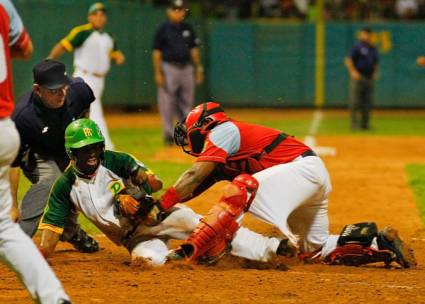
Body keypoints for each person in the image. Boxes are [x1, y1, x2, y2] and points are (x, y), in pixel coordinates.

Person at [146, 102, 416, 268]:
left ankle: (191, 251)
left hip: (300, 171)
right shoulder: (220, 157)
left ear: (204, 124)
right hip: (308, 177)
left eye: (191, 129)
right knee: (314, 251)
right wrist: (154, 205)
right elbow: (194, 187)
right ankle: (378, 242)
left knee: (241, 188)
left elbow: (193, 175)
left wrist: (161, 205)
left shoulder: (223, 130)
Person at [39, 118, 290, 266]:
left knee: (205, 226)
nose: (92, 153)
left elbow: (155, 182)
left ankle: (272, 250)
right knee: (148, 264)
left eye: (95, 147)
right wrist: (34, 255)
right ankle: (186, 254)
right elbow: (49, 238)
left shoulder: (116, 160)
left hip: (159, 216)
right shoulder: (64, 188)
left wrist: (134, 190)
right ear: (72, 153)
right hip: (135, 240)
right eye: (84, 150)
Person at [0, 1, 71, 303]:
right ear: (38, 89)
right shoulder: (3, 5)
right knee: (5, 228)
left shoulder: (76, 92)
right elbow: (24, 48)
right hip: (6, 130)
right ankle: (55, 297)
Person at [10, 59, 99, 254]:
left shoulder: (78, 91)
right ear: (37, 90)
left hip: (64, 149)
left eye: (63, 87)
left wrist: (82, 139)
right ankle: (17, 240)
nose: (61, 94)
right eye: (53, 90)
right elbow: (12, 164)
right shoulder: (24, 117)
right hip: (35, 154)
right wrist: (13, 206)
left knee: (76, 187)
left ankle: (71, 231)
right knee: (52, 180)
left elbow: (85, 108)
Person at [47, 2, 125, 150]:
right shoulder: (82, 32)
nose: (99, 17)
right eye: (96, 14)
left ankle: (71, 140)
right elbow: (63, 45)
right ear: (90, 17)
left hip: (100, 79)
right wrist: (49, 59)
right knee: (94, 109)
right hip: (84, 77)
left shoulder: (109, 37)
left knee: (81, 111)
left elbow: (114, 54)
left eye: (102, 15)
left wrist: (118, 57)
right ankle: (105, 144)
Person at [152, 0, 204, 145]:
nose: (178, 12)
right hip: (169, 67)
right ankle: (169, 135)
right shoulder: (163, 28)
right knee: (167, 102)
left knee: (187, 103)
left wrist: (198, 68)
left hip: (187, 68)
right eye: (175, 9)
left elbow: (194, 50)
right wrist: (158, 72)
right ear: (169, 11)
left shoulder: (187, 27)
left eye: (180, 9)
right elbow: (156, 52)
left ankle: (184, 135)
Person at [344, 27, 379, 130]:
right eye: (365, 34)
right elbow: (348, 59)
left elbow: (375, 62)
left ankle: (365, 125)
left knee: (367, 103)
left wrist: (375, 72)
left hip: (369, 77)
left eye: (369, 34)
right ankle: (354, 125)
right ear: (361, 35)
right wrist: (353, 71)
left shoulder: (373, 47)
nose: (367, 36)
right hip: (359, 77)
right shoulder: (357, 46)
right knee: (355, 102)